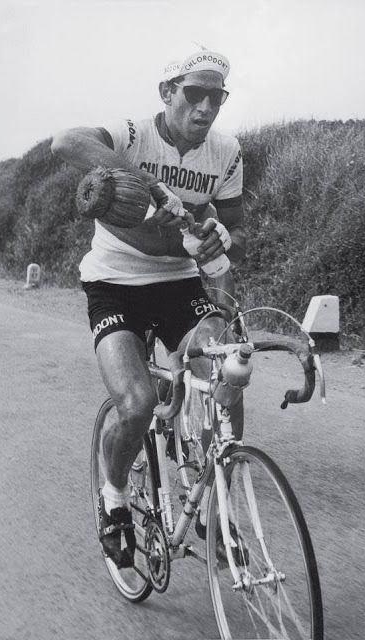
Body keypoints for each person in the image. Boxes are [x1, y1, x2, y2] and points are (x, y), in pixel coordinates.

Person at [51, 49, 245, 568]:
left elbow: (234, 226)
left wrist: (224, 236)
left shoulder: (226, 151)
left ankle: (214, 504)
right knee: (135, 403)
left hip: (180, 283)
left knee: (226, 369)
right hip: (114, 284)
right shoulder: (134, 133)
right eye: (193, 94)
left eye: (216, 97)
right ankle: (114, 500)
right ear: (167, 93)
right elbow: (66, 142)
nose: (205, 108)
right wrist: (149, 184)